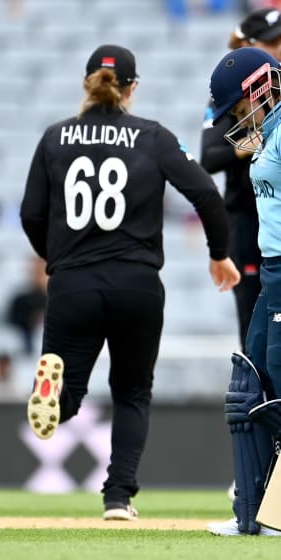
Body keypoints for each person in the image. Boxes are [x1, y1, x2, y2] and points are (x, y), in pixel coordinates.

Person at [20, 44, 240, 520]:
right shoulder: (152, 136)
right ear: (132, 88)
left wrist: (57, 258)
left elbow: (31, 213)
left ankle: (56, 399)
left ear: (86, 84)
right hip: (136, 283)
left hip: (73, 282)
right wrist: (219, 254)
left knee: (70, 389)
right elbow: (204, 191)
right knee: (132, 390)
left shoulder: (54, 137)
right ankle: (118, 497)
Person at [207, 46, 281, 537]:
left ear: (261, 88)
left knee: (279, 379)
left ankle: (278, 514)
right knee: (252, 383)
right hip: (272, 270)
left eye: (239, 109)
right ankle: (254, 514)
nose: (239, 120)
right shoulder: (270, 133)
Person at [201, 8, 281, 353]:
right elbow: (210, 156)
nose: (279, 48)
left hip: (273, 217)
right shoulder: (232, 93)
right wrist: (260, 137)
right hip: (247, 217)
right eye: (272, 42)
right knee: (255, 325)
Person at [6, 256, 47, 355]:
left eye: (42, 271)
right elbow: (12, 325)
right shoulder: (20, 301)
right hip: (27, 344)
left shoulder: (62, 301)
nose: (38, 275)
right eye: (35, 271)